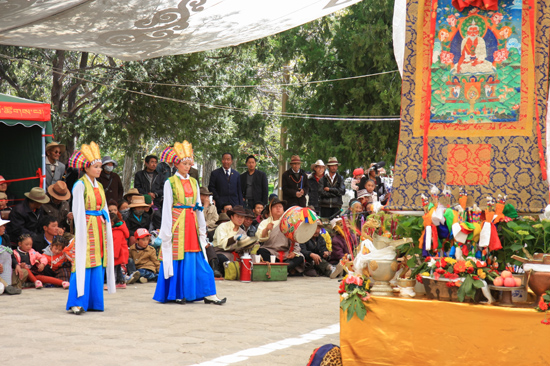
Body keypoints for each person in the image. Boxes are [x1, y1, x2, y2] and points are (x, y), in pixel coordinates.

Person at [154, 141, 225, 305]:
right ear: (176, 164)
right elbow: (166, 208)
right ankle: (177, 293)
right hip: (178, 223)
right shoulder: (170, 182)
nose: (187, 166)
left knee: (198, 256)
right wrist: (166, 232)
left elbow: (198, 205)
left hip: (191, 223)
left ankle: (208, 293)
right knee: (178, 257)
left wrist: (202, 228)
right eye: (184, 163)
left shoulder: (194, 182)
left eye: (189, 163)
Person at [66, 141, 115, 315]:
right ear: (86, 168)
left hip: (99, 228)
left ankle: (94, 301)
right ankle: (77, 301)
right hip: (87, 228)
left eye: (100, 167)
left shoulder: (99, 185)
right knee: (83, 262)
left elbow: (104, 207)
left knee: (97, 263)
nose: (99, 170)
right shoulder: (80, 185)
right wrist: (81, 232)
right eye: (96, 167)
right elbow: (77, 210)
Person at [257, 198, 304, 275]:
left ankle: (280, 269)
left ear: (283, 209)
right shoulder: (265, 222)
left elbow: (295, 239)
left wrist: (294, 253)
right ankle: (284, 269)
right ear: (270, 210)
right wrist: (266, 229)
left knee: (300, 257)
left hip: (286, 253)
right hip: (271, 251)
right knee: (261, 251)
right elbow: (259, 238)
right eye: (275, 207)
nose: (278, 208)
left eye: (280, 206)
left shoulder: (288, 222)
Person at [212, 206, 257, 275]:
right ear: (232, 217)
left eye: (242, 217)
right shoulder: (222, 226)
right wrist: (234, 238)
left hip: (235, 254)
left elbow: (242, 247)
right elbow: (221, 243)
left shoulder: (242, 232)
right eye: (238, 216)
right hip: (220, 252)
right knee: (223, 260)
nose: (240, 219)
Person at [108, 199, 129, 289]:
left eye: (115, 210)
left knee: (115, 269)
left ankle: (116, 282)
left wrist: (114, 255)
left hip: (117, 253)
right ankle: (121, 282)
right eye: (110, 210)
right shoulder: (120, 227)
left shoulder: (117, 231)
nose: (113, 212)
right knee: (117, 269)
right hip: (120, 253)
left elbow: (116, 245)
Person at [0, 219, 22, 295]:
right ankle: (7, 286)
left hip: (5, 270)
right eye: (2, 226)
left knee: (23, 272)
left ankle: (7, 284)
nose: (4, 228)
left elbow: (11, 254)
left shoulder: (5, 237)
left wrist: (16, 265)